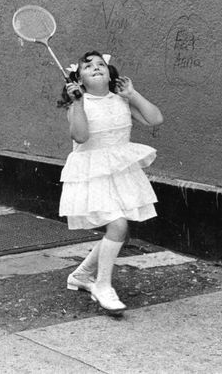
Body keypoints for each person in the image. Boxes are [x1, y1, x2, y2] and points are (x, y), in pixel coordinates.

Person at [57, 51, 163, 314]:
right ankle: (102, 286)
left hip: (120, 171)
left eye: (100, 64)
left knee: (120, 233)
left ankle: (81, 275)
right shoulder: (78, 104)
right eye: (88, 66)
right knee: (117, 225)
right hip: (92, 173)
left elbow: (155, 119)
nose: (96, 67)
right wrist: (77, 103)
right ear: (78, 79)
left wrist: (133, 94)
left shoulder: (121, 100)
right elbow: (80, 137)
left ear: (109, 72)